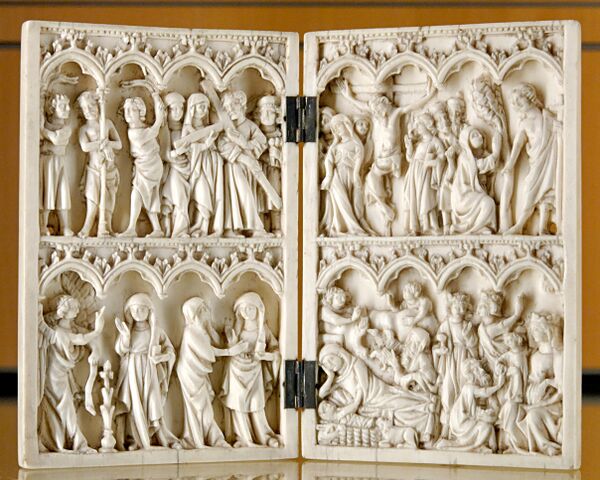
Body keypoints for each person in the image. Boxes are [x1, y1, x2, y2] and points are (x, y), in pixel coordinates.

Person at [177, 297, 246, 448]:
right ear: (195, 314)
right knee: (199, 407)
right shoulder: (190, 331)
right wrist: (231, 351)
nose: (207, 312)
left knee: (204, 405)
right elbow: (208, 351)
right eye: (203, 310)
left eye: (206, 309)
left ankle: (209, 438)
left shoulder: (203, 329)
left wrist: (222, 330)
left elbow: (217, 343)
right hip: (190, 375)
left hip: (199, 374)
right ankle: (202, 439)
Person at [38, 298, 104, 453]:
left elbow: (82, 336)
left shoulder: (65, 329)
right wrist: (98, 330)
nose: (78, 310)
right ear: (65, 312)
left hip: (61, 376)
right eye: (74, 308)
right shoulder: (60, 333)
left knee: (61, 408)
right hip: (55, 378)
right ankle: (77, 444)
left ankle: (61, 442)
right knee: (65, 407)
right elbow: (82, 339)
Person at [114, 293, 179, 450]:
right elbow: (120, 350)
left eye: (142, 309)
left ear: (149, 311)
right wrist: (125, 336)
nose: (138, 313)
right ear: (129, 312)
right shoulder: (128, 331)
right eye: (134, 310)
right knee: (134, 403)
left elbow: (170, 350)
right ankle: (135, 440)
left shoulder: (156, 331)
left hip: (150, 370)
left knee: (152, 402)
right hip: (132, 369)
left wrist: (162, 357)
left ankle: (161, 437)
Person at [219, 292, 282, 447]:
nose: (246, 313)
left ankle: (264, 436)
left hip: (255, 372)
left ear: (258, 309)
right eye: (243, 310)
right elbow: (231, 347)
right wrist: (230, 338)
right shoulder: (237, 329)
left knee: (256, 404)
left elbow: (275, 350)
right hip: (236, 371)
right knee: (238, 403)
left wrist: (266, 356)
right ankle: (243, 438)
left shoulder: (263, 331)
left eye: (250, 308)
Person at [503, 83, 562, 235]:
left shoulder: (547, 116)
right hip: (536, 160)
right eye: (514, 102)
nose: (516, 104)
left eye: (519, 99)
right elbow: (518, 145)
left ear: (529, 96)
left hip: (549, 159)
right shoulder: (524, 123)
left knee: (547, 193)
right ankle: (520, 225)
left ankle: (543, 228)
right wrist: (510, 164)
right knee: (529, 189)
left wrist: (559, 128)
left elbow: (559, 130)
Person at [218, 91, 270, 237]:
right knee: (239, 195)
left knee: (249, 195)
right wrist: (241, 156)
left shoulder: (250, 125)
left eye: (234, 104)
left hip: (250, 169)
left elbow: (262, 141)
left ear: (242, 105)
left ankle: (249, 227)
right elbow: (222, 145)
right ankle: (242, 227)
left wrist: (246, 144)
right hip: (233, 167)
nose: (231, 109)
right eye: (227, 107)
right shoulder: (227, 128)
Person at [77, 91, 122, 237]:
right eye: (85, 108)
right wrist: (101, 144)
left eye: (91, 106)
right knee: (93, 200)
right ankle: (87, 227)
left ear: (98, 106)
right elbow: (85, 147)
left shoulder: (107, 124)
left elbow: (119, 144)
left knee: (109, 201)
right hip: (94, 169)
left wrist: (108, 143)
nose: (88, 110)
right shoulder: (84, 129)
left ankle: (108, 227)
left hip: (109, 169)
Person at [436, 359, 506, 452]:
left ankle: (493, 448)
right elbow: (484, 392)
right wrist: (499, 385)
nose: (481, 371)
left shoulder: (472, 386)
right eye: (477, 369)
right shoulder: (469, 387)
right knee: (486, 427)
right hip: (461, 421)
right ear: (471, 373)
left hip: (466, 418)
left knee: (488, 427)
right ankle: (476, 446)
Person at [120, 94, 165, 237]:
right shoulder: (133, 132)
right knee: (148, 195)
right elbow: (155, 129)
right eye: (126, 110)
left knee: (139, 191)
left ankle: (132, 228)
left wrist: (157, 101)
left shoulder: (142, 131)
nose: (128, 114)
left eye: (132, 110)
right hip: (143, 165)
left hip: (151, 165)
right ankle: (156, 229)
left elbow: (155, 130)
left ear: (141, 112)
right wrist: (159, 116)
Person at [320, 114, 371, 236]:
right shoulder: (335, 146)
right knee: (340, 199)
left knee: (349, 199)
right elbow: (328, 160)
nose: (337, 130)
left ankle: (350, 226)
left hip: (350, 175)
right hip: (337, 176)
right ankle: (347, 227)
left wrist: (355, 174)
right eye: (335, 128)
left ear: (346, 124)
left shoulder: (355, 144)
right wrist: (329, 175)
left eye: (339, 126)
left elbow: (359, 158)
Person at [183, 93, 224, 237]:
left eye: (206, 108)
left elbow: (214, 147)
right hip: (195, 166)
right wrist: (205, 145)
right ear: (192, 108)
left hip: (209, 165)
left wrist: (210, 145)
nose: (204, 110)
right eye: (201, 107)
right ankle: (199, 225)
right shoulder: (187, 128)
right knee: (201, 193)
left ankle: (204, 227)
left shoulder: (208, 128)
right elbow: (185, 148)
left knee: (208, 193)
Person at [403, 113, 445, 235]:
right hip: (414, 173)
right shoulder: (419, 143)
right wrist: (409, 148)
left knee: (427, 197)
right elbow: (410, 158)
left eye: (419, 125)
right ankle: (416, 227)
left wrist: (431, 162)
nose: (417, 128)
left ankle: (432, 225)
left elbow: (442, 157)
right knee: (414, 199)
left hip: (427, 172)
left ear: (427, 125)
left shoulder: (435, 141)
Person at [450, 126, 497, 234]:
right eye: (474, 136)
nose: (479, 136)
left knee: (487, 203)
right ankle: (472, 229)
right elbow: (482, 165)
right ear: (467, 142)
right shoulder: (465, 157)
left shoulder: (476, 156)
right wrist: (496, 153)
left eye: (479, 134)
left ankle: (471, 227)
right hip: (463, 197)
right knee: (488, 203)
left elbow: (491, 167)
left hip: (472, 195)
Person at [41, 93, 73, 236]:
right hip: (47, 163)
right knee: (47, 193)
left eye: (68, 105)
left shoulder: (66, 128)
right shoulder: (46, 124)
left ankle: (65, 226)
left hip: (58, 161)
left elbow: (56, 140)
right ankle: (43, 225)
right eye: (63, 106)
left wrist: (42, 131)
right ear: (52, 109)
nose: (68, 109)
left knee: (62, 193)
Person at [160, 91, 191, 238]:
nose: (178, 112)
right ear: (167, 111)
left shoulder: (186, 129)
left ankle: (179, 230)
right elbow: (164, 153)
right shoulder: (165, 130)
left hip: (187, 169)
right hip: (174, 170)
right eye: (174, 109)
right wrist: (176, 153)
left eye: (181, 108)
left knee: (183, 199)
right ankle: (178, 231)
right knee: (179, 200)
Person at [254, 95, 284, 235]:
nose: (267, 116)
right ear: (258, 115)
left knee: (275, 194)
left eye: (270, 112)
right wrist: (265, 156)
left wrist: (279, 156)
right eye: (263, 112)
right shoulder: (255, 132)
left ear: (277, 114)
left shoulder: (281, 134)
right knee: (259, 197)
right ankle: (260, 227)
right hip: (258, 169)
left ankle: (277, 227)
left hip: (274, 170)